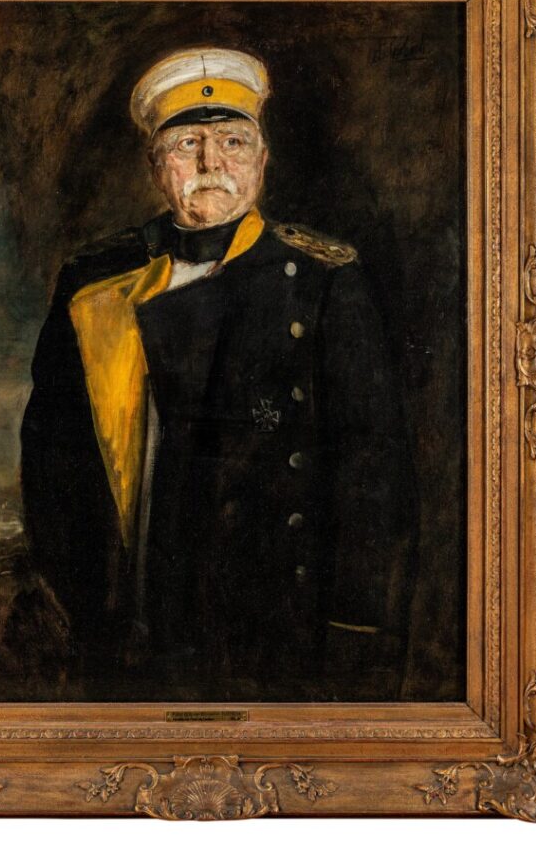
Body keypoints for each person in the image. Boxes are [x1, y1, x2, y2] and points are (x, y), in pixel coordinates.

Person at [20, 46, 416, 701]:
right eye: (188, 145)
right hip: (136, 629)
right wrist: (83, 602)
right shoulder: (95, 284)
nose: (212, 163)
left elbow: (373, 470)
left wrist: (357, 634)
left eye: (233, 142)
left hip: (280, 626)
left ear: (262, 160)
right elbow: (51, 460)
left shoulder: (323, 281)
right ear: (156, 166)